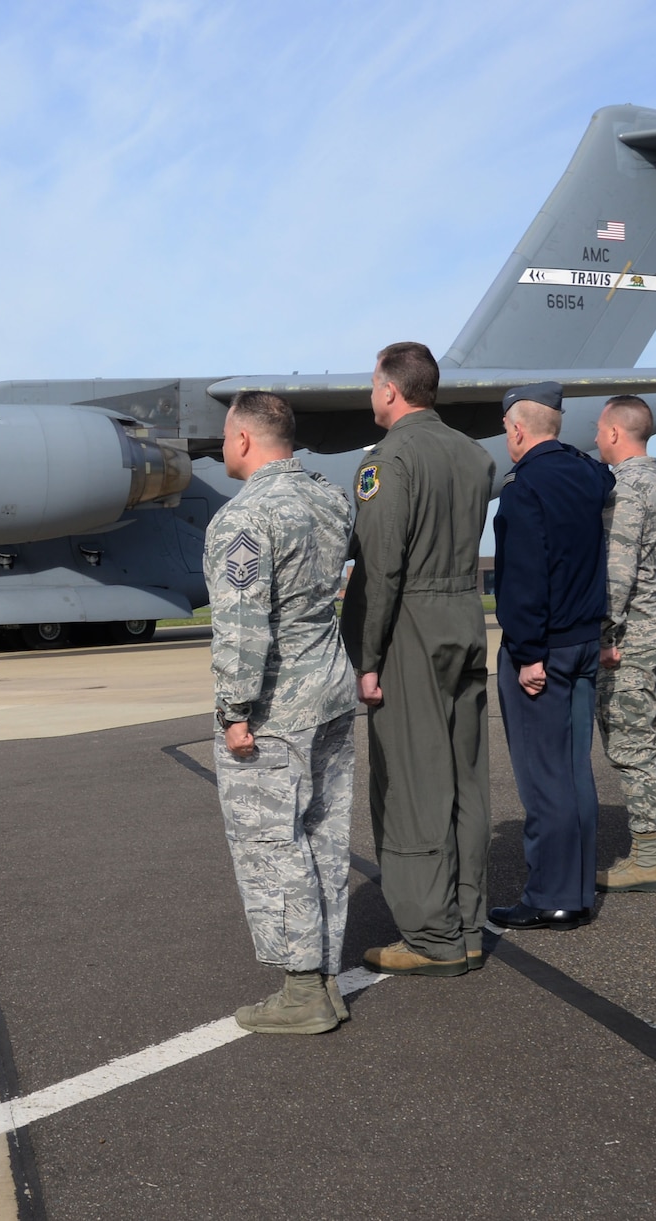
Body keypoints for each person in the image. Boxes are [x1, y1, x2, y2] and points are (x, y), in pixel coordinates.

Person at [206, 390, 361, 1034]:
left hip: (277, 709)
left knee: (273, 843)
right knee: (323, 836)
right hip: (330, 689)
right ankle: (323, 975)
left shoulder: (243, 519)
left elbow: (242, 629)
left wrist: (234, 711)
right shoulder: (329, 499)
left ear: (243, 440)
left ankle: (301, 991)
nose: (220, 449)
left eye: (224, 437)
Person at [341, 341, 496, 975]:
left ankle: (431, 936)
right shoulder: (473, 454)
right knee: (465, 777)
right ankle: (465, 922)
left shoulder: (388, 460)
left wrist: (367, 655)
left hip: (410, 627)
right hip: (465, 616)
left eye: (373, 383)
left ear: (390, 390)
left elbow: (381, 566)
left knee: (410, 782)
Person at [486, 382, 614, 930]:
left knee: (545, 777)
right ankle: (577, 888)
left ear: (517, 429)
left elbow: (522, 579)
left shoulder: (523, 488)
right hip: (585, 639)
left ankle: (551, 895)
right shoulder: (590, 476)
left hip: (547, 648)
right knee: (574, 769)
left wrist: (527, 653)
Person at [592, 395, 656, 893]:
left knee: (632, 751)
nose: (593, 438)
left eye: (598, 430)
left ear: (613, 433)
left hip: (634, 641)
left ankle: (648, 854)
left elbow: (617, 574)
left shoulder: (626, 491)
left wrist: (606, 637)